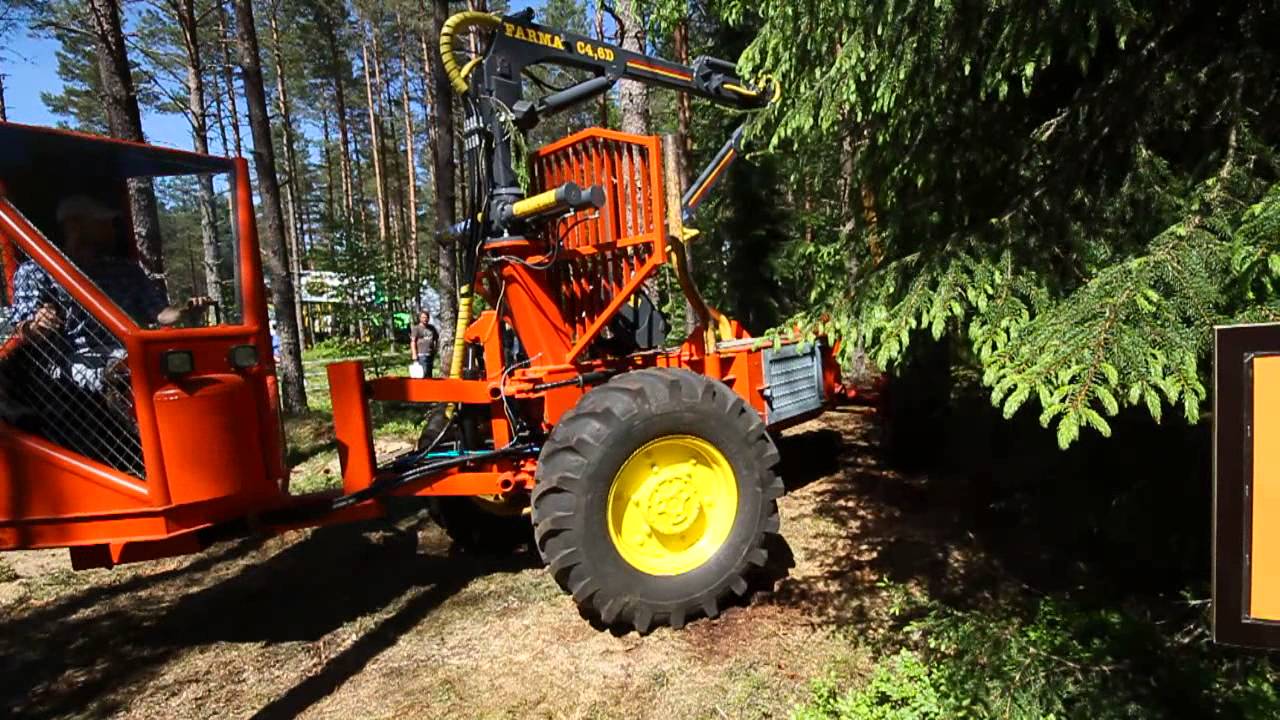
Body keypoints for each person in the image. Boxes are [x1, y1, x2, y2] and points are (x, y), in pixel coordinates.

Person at [410, 310, 438, 378]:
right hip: (421, 354)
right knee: (423, 373)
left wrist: (435, 349)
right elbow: (413, 342)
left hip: (430, 354)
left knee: (429, 373)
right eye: (423, 317)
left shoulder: (432, 328)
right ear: (420, 318)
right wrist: (414, 354)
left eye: (426, 317)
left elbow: (435, 339)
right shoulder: (416, 328)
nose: (425, 319)